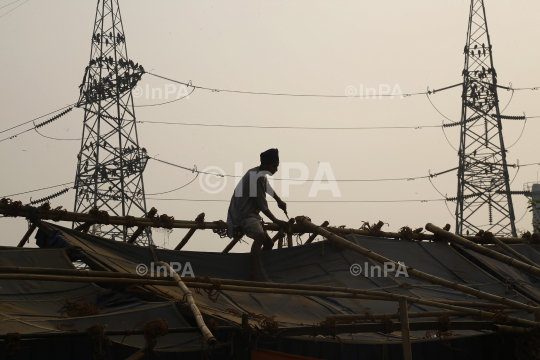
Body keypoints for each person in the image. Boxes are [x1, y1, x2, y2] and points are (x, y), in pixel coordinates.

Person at [226, 148, 288, 281]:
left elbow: (267, 187)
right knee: (260, 236)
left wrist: (278, 200)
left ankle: (261, 268)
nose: (276, 169)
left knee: (269, 244)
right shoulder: (255, 177)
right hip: (243, 214)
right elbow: (262, 205)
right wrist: (276, 220)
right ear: (266, 165)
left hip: (251, 214)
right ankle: (254, 273)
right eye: (274, 166)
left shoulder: (259, 174)